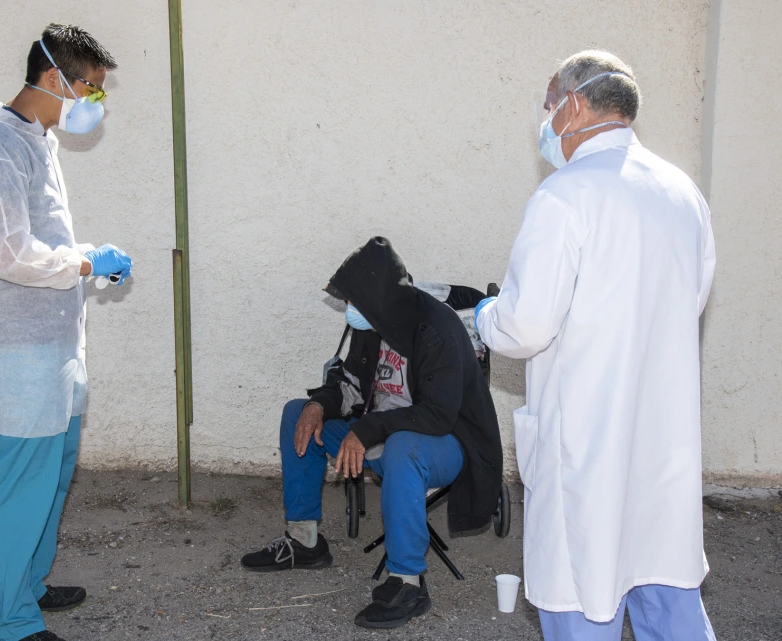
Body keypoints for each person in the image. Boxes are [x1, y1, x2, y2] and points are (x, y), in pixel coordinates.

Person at [474, 51, 717, 640]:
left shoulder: (565, 197)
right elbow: (694, 298)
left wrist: (485, 315)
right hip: (660, 446)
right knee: (666, 593)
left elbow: (525, 325)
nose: (546, 120)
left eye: (548, 105)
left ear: (575, 104)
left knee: (584, 595)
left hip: (586, 447)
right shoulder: (682, 192)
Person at [0, 24, 133, 641]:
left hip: (50, 345)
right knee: (20, 484)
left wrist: (84, 254)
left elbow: (37, 240)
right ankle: (9, 623)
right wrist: (82, 263)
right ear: (54, 78)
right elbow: (6, 254)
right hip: (11, 349)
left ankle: (29, 585)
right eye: (92, 89)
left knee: (52, 473)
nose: (96, 104)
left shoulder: (35, 140)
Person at [241, 237, 503, 629]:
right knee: (298, 412)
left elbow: (438, 415)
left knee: (402, 448)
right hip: (381, 433)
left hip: (448, 442)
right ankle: (305, 540)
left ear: (379, 299)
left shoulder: (437, 329)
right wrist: (320, 405)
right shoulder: (374, 323)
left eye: (353, 302)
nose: (348, 310)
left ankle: (408, 583)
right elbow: (348, 384)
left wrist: (367, 430)